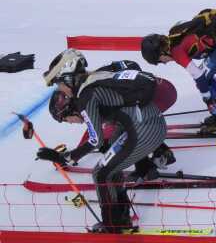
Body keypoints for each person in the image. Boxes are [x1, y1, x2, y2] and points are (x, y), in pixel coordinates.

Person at [36, 49, 169, 233]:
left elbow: (95, 140)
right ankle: (121, 218)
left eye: (60, 84)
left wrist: (67, 157)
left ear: (68, 79)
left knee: (100, 173)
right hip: (150, 123)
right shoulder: (94, 79)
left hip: (145, 128)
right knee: (110, 168)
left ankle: (112, 226)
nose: (61, 90)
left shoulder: (85, 95)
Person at [48, 73, 178, 181]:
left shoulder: (86, 101)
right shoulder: (89, 82)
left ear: (69, 110)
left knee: (118, 139)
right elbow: (93, 130)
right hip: (163, 87)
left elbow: (96, 137)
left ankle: (151, 164)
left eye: (65, 120)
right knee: (122, 132)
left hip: (158, 96)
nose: (70, 123)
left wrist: (73, 155)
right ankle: (156, 156)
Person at [141, 8, 216, 134]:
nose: (162, 63)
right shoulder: (177, 36)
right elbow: (214, 49)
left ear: (161, 52)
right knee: (207, 75)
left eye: (158, 60)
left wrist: (207, 100)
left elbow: (198, 76)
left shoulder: (176, 51)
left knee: (204, 78)